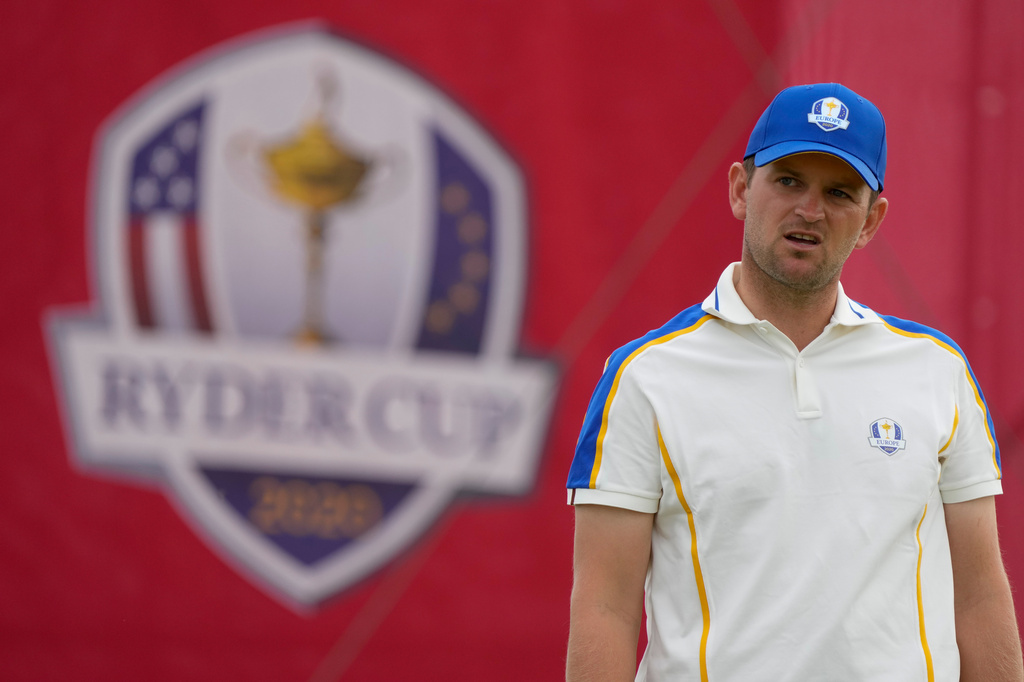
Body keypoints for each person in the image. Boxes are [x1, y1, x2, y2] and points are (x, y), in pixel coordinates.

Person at [565, 82, 1023, 681]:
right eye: (788, 181)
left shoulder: (938, 369)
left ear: (870, 221)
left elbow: (980, 598)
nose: (810, 210)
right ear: (739, 190)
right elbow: (605, 608)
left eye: (839, 192)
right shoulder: (646, 375)